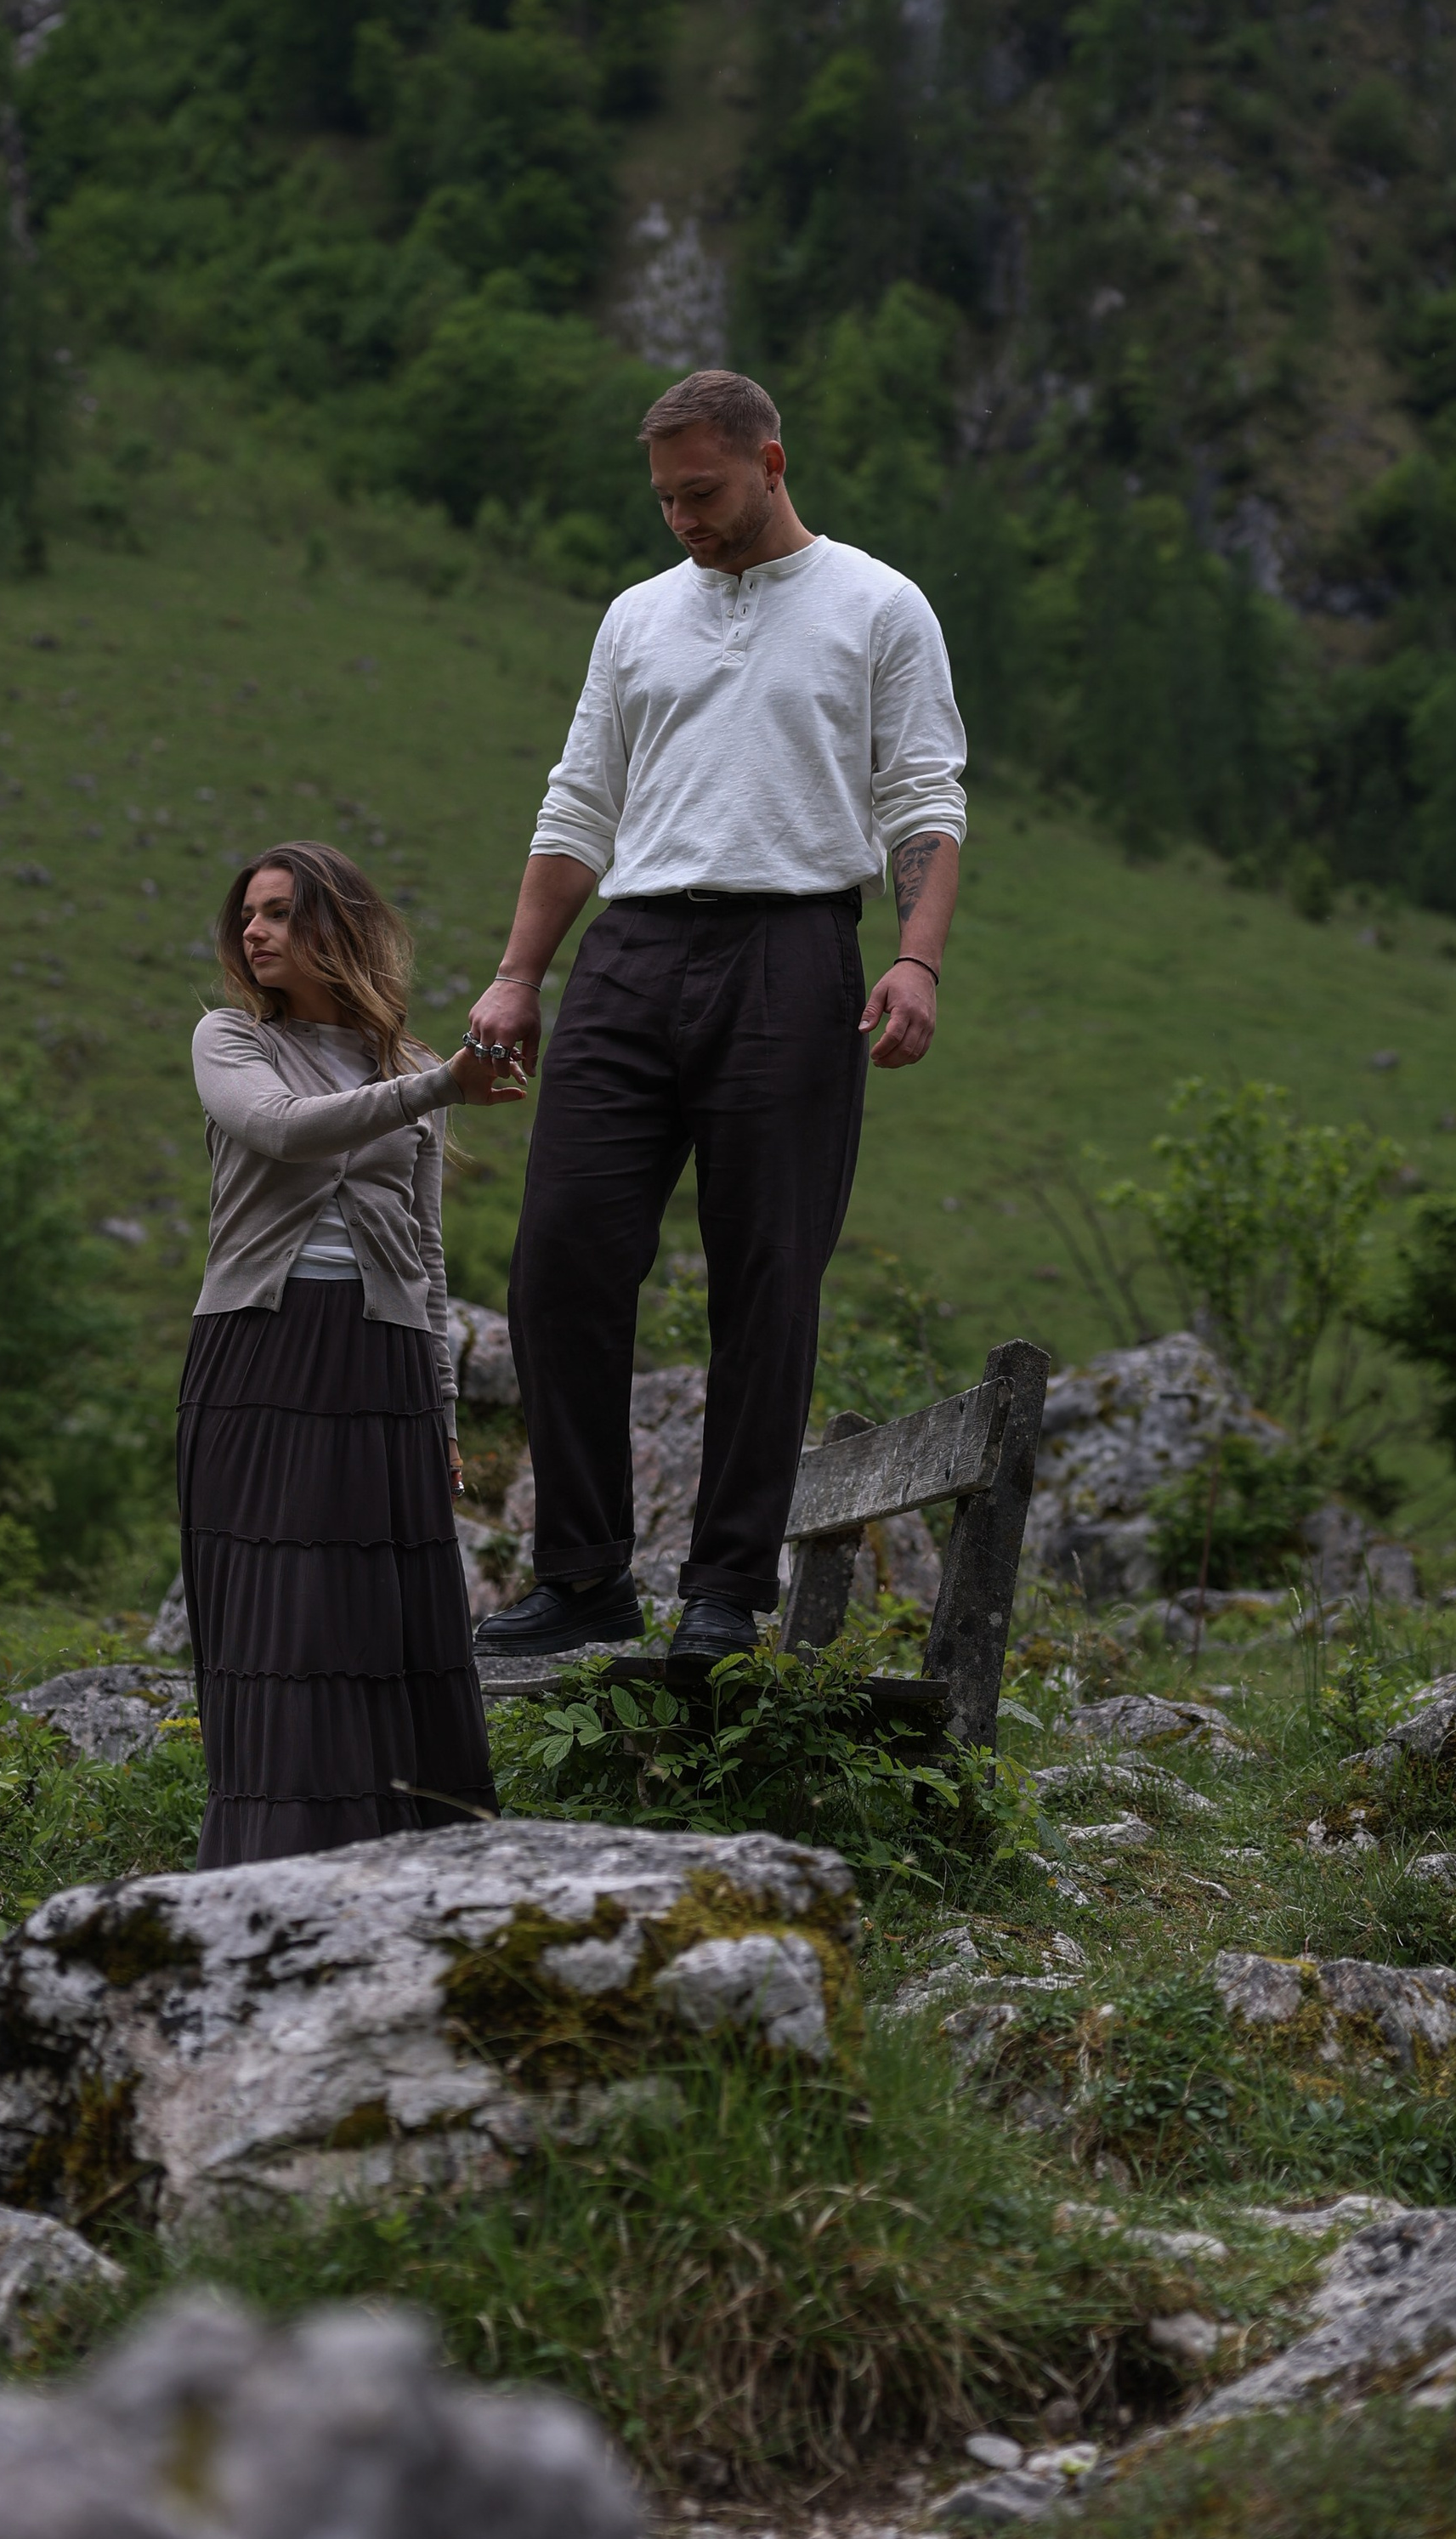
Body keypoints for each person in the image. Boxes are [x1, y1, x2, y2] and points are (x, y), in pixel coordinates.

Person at [471, 367, 966, 1666]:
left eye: (703, 491)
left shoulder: (878, 605)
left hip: (793, 947)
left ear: (771, 463)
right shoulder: (638, 616)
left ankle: (725, 1594)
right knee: (561, 1256)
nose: (684, 518)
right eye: (665, 499)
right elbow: (579, 804)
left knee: (768, 1276)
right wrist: (521, 975)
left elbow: (923, 796)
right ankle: (580, 1577)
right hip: (629, 953)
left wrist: (915, 960)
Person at [179, 839, 518, 1865]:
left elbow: (425, 1253)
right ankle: (266, 1861)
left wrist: (444, 1411)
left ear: (338, 928)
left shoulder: (409, 1069)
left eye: (281, 913)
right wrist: (440, 1091)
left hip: (381, 1367)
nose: (255, 931)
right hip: (259, 1355)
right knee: (278, 1619)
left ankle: (410, 1856)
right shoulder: (229, 1041)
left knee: (382, 1620)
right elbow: (282, 1132)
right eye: (250, 914)